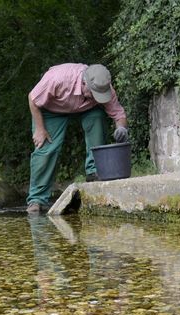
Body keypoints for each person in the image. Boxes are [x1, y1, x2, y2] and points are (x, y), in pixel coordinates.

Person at [26, 63, 129, 214]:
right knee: (46, 148)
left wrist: (122, 129)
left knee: (97, 117)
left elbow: (119, 114)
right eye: (94, 93)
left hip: (86, 108)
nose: (98, 97)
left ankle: (94, 172)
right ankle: (36, 199)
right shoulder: (57, 80)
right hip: (52, 109)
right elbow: (33, 99)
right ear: (84, 84)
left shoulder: (103, 86)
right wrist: (40, 129)